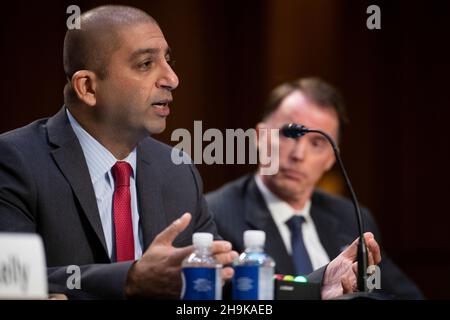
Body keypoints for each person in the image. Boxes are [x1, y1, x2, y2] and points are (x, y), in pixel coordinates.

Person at [0, 6, 380, 300]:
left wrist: (316, 285)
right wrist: (131, 279)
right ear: (88, 87)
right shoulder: (15, 160)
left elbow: (224, 285)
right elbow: (11, 283)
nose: (171, 78)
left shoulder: (176, 170)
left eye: (169, 60)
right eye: (146, 64)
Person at [206, 77, 423, 299]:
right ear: (260, 137)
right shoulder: (213, 216)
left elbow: (396, 294)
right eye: (289, 135)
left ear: (331, 158)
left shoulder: (353, 219)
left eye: (316, 143)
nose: (299, 155)